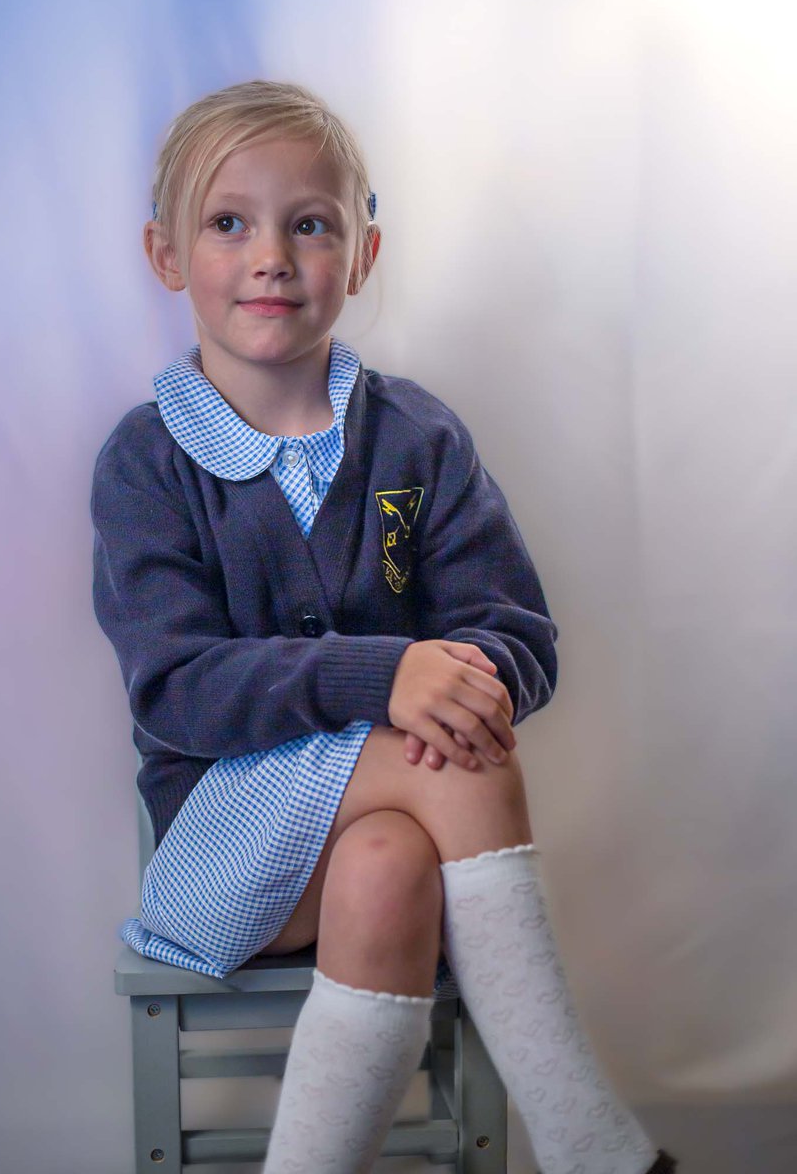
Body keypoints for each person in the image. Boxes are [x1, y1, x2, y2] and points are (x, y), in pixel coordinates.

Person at [91, 80, 676, 1174]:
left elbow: (517, 632)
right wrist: (388, 674)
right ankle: (586, 1139)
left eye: (309, 223)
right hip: (224, 856)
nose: (271, 254)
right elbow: (178, 689)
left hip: (362, 852)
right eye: (229, 222)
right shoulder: (148, 463)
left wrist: (461, 676)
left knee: (393, 861)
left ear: (359, 256)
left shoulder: (415, 438)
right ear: (168, 254)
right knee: (448, 768)